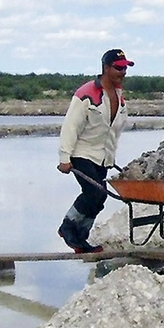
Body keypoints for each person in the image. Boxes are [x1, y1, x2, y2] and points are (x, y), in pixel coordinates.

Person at [57, 48, 134, 253]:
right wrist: (65, 157)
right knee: (93, 192)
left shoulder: (118, 96)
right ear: (106, 68)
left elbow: (112, 131)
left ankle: (80, 239)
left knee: (100, 197)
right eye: (119, 68)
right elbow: (70, 126)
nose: (123, 72)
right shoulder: (87, 94)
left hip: (103, 157)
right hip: (82, 153)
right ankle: (68, 227)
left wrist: (111, 157)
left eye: (125, 68)